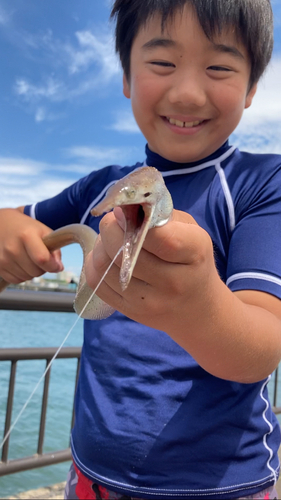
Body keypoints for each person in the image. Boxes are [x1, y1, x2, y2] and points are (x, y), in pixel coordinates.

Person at [0, 0, 280, 498]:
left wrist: (196, 305)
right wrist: (7, 232)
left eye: (218, 67)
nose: (188, 92)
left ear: (252, 86)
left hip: (222, 485)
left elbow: (262, 345)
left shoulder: (263, 184)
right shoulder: (97, 189)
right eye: (162, 63)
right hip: (90, 477)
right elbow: (17, 224)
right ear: (127, 77)